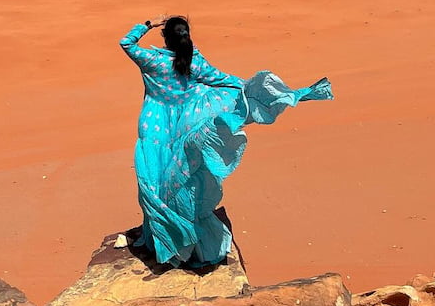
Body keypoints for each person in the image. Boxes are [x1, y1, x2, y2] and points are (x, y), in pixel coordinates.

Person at [120, 15, 332, 269]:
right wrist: (247, 89)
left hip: (157, 131)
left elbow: (127, 43)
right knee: (179, 182)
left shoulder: (153, 61)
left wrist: (147, 25)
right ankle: (181, 242)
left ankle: (164, 241)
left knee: (154, 184)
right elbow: (222, 79)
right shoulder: (193, 60)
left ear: (165, 37)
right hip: (188, 125)